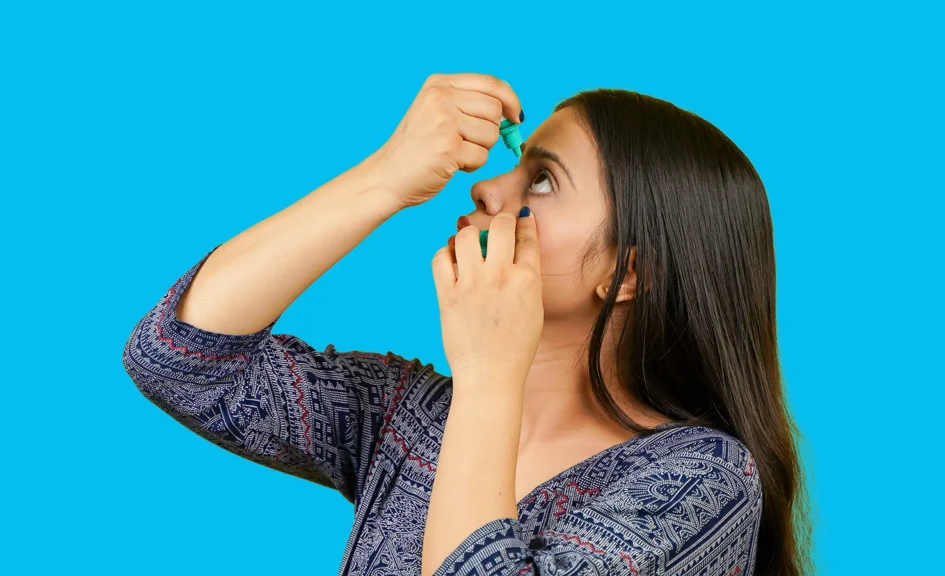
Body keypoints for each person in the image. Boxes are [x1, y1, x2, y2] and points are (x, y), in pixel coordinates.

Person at [121, 73, 812, 576]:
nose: (486, 187)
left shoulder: (702, 482)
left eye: (542, 180)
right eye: (515, 164)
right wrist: (387, 178)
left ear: (627, 274)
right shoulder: (410, 417)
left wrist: (487, 375)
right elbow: (178, 358)